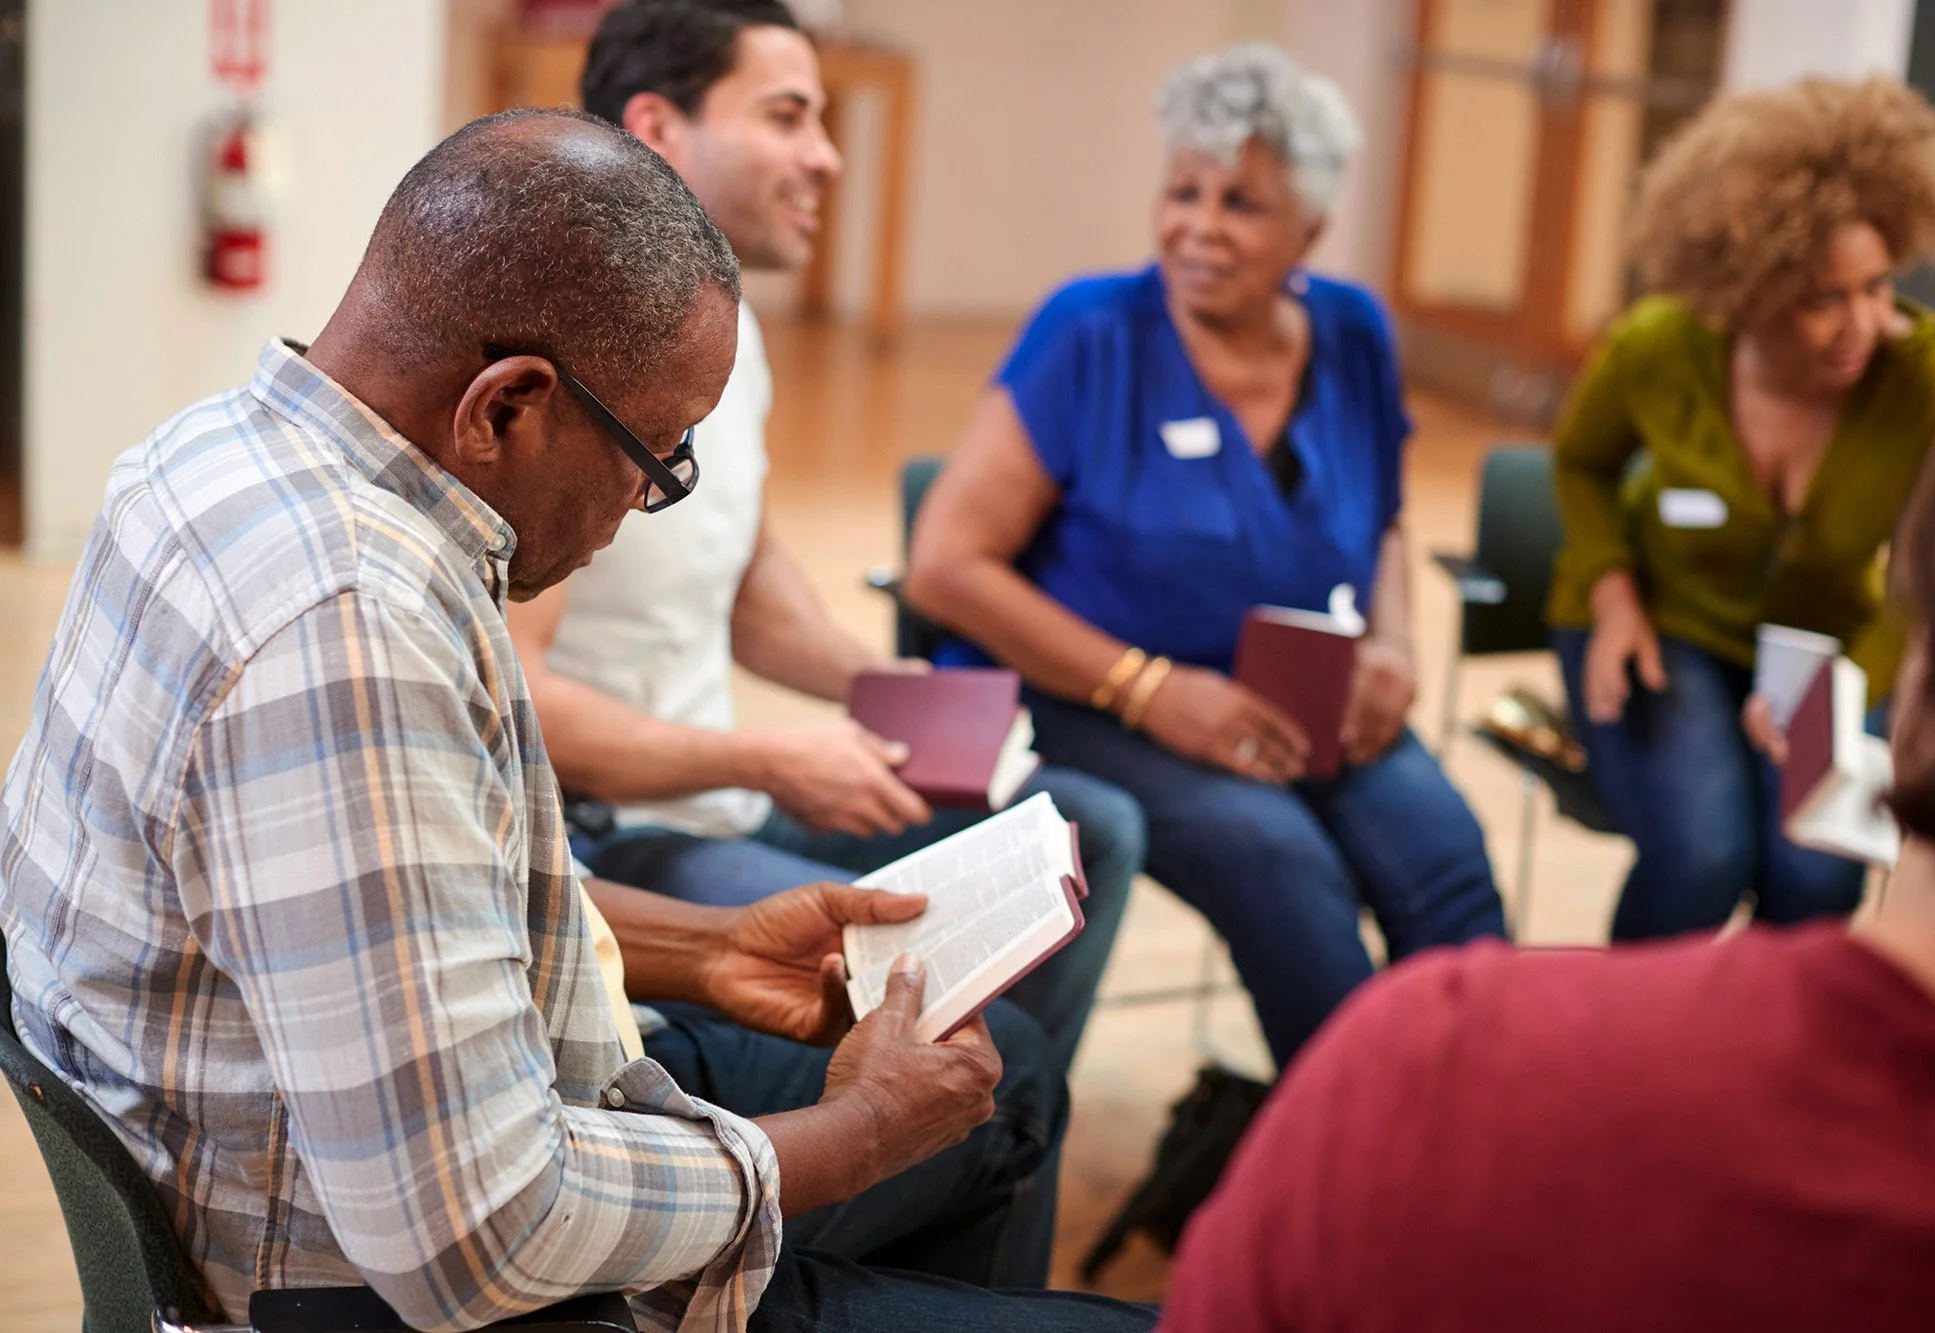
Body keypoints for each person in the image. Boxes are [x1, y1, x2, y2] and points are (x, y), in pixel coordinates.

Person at [0, 110, 1149, 1333]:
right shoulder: (350, 631)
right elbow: (477, 1239)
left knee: (1003, 1079)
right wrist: (858, 1135)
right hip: (380, 1289)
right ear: (504, 408)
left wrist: (707, 949)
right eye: (655, 458)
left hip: (363, 1180)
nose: (648, 504)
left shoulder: (201, 457)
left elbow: (367, 910)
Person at [1158, 356, 1935, 1333]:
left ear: (1928, 644)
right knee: (1689, 845)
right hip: (1649, 662)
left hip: (1426, 1114)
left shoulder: (1441, 1061)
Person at [509, 0, 1144, 1078]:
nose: (827, 155)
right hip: (614, 838)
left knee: (1084, 827)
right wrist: (766, 757)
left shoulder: (724, 322)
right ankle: (899, 1158)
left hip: (725, 793)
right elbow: (511, 696)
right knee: (994, 1065)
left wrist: (883, 687)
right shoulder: (572, 356)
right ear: (659, 128)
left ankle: (937, 1167)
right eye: (789, 116)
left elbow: (746, 579)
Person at [903, 43, 1506, 1070]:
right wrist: (1148, 688)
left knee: (1444, 861)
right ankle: (1344, 1173)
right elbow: (945, 568)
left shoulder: (1352, 332)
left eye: (1241, 203)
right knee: (1278, 863)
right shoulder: (1090, 333)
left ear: (1308, 231)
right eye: (1182, 191)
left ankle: (1475, 1134)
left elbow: (1387, 523)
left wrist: (1395, 646)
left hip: (1302, 699)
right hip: (1088, 704)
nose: (1197, 227)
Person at [1547, 77, 1935, 941]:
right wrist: (1612, 596)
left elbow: (1928, 575)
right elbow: (1582, 463)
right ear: (1749, 283)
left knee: (1815, 869)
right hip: (1669, 630)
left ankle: (1762, 1065)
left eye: (1879, 286)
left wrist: (1846, 688)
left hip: (1828, 654)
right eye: (1823, 298)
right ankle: (1623, 1058)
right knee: (1704, 856)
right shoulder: (1659, 348)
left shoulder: (1918, 382)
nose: (1862, 323)